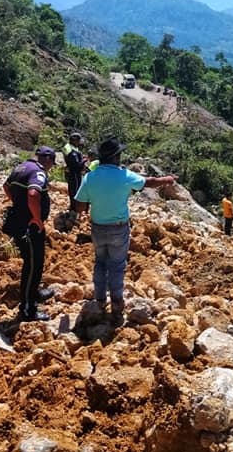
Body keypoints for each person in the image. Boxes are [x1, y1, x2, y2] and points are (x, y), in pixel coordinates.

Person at [71, 137, 176, 326]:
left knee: (100, 263)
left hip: (97, 227)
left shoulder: (90, 177)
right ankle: (117, 302)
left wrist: (90, 207)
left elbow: (79, 205)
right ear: (115, 157)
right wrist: (166, 180)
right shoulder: (124, 175)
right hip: (119, 228)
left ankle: (100, 299)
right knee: (117, 265)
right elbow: (148, 182)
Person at [2, 146, 56, 322]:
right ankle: (27, 309)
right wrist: (37, 218)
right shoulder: (38, 172)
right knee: (33, 265)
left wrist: (17, 203)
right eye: (51, 164)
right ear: (46, 159)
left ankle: (34, 292)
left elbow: (6, 186)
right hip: (29, 226)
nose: (50, 167)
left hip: (17, 221)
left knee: (32, 261)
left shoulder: (21, 167)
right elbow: (33, 194)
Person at [62, 132, 88, 203]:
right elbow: (76, 165)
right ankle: (75, 207)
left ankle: (73, 206)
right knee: (75, 190)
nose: (79, 142)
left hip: (70, 173)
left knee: (72, 190)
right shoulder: (72, 152)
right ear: (74, 140)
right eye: (78, 140)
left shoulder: (68, 147)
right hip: (74, 174)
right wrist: (84, 160)